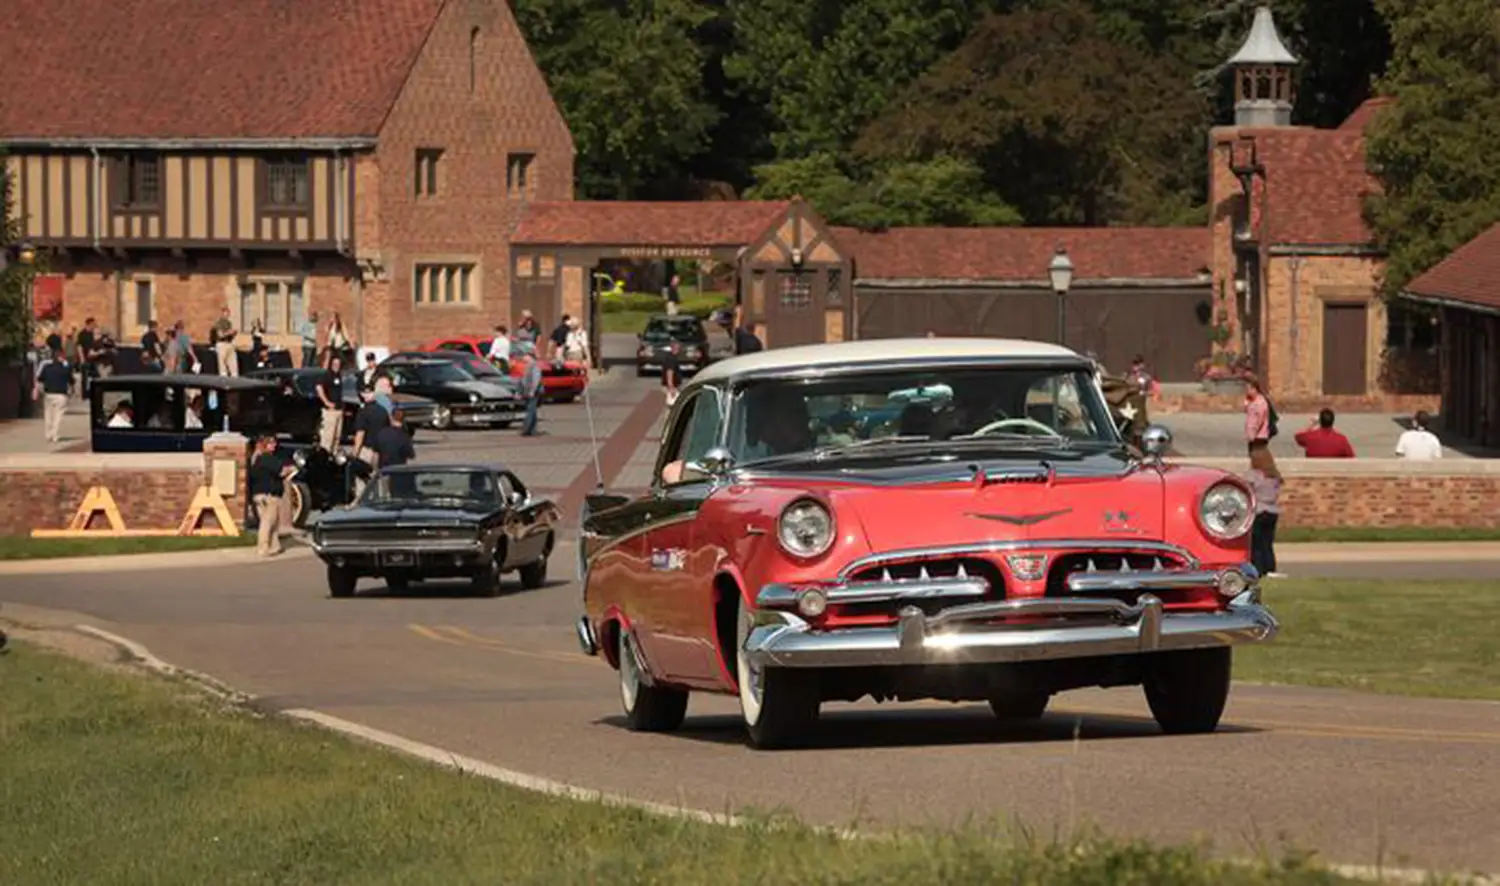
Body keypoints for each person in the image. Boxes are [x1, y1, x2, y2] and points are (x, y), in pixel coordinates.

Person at [248, 435, 292, 557]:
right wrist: (291, 469)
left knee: (272, 522)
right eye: (271, 443)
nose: (274, 445)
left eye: (274, 443)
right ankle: (263, 548)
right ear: (265, 445)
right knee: (268, 522)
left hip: (258, 496)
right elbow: (281, 471)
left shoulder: (256, 460)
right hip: (269, 496)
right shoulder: (268, 459)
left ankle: (275, 546)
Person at [1247, 443, 1284, 578]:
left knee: (1256, 544)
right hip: (1273, 511)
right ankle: (1270, 569)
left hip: (1259, 511)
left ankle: (1258, 569)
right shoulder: (1274, 476)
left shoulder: (1253, 475)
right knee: (1267, 543)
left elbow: (1248, 490)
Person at [349, 388, 389, 498]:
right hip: (381, 450)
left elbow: (360, 434)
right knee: (380, 478)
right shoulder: (383, 411)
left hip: (367, 450)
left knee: (361, 478)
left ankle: (362, 501)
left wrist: (355, 453)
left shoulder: (363, 412)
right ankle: (382, 499)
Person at [32, 348, 73, 443]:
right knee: (58, 415)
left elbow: (39, 380)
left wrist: (37, 390)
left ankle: (48, 434)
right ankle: (55, 434)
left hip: (48, 394)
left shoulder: (47, 368)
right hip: (61, 394)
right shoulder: (65, 369)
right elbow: (71, 381)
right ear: (60, 358)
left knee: (48, 415)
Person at [316, 354, 345, 450]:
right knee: (328, 439)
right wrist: (326, 402)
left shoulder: (340, 375)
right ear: (331, 364)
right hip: (330, 412)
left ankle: (334, 458)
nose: (336, 365)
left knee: (337, 438)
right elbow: (319, 387)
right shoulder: (327, 375)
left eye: (338, 364)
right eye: (334, 364)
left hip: (339, 410)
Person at [517, 351, 543, 436]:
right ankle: (533, 430)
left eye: (525, 356)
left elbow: (536, 379)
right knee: (532, 410)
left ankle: (526, 429)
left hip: (533, 392)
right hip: (528, 391)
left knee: (530, 410)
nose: (523, 358)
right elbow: (522, 380)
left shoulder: (535, 366)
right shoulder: (528, 366)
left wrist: (533, 390)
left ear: (530, 357)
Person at [209, 307, 238, 376]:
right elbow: (220, 335)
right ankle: (223, 380)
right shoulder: (219, 323)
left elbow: (230, 335)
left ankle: (235, 380)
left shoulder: (229, 323)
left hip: (229, 344)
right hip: (222, 344)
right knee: (222, 365)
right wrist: (229, 332)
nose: (228, 315)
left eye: (228, 313)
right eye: (226, 313)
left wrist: (233, 334)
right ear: (222, 313)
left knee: (233, 365)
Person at [661, 340, 682, 407]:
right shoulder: (671, 359)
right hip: (671, 387)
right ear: (673, 348)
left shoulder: (670, 357)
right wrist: (671, 387)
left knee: (674, 404)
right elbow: (669, 372)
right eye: (678, 348)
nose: (679, 350)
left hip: (672, 386)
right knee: (673, 405)